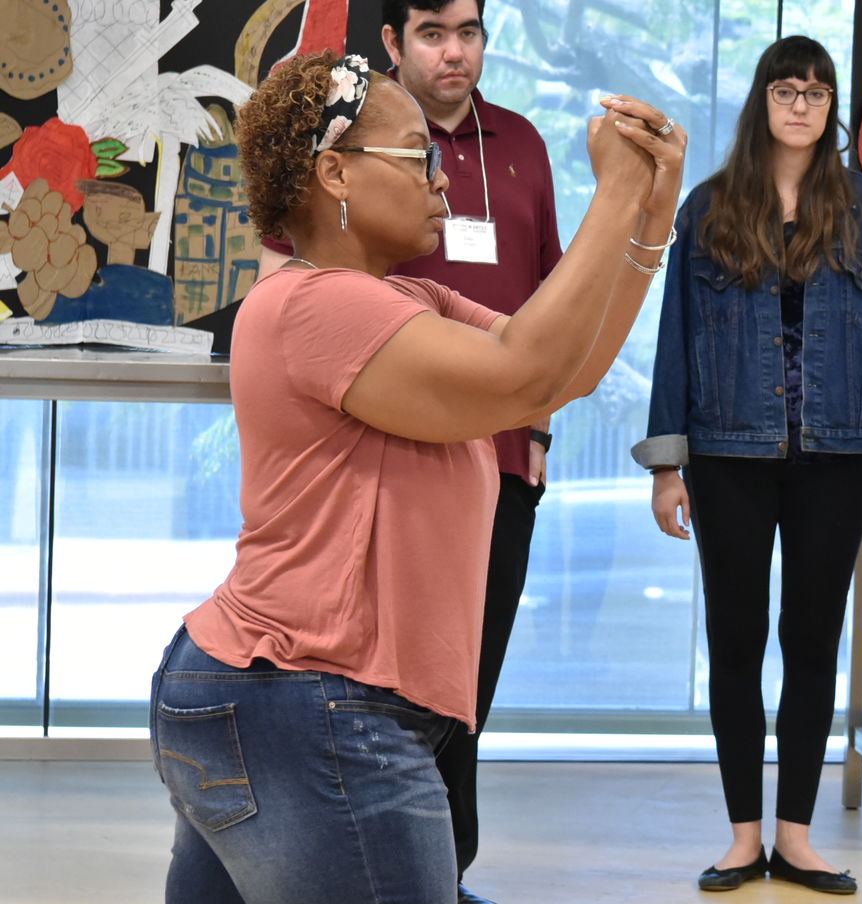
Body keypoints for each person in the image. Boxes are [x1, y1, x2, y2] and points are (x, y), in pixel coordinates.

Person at [151, 50, 685, 903]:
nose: (443, 183)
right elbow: (524, 373)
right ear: (335, 173)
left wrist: (649, 210)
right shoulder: (314, 303)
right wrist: (616, 194)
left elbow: (566, 370)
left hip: (275, 697)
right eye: (420, 158)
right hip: (317, 700)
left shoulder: (409, 301)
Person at [259, 0, 562, 904]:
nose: (455, 52)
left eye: (468, 31)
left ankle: (444, 867)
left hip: (500, 454)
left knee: (463, 685)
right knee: (382, 684)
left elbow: (547, 311)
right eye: (433, 34)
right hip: (381, 442)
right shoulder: (341, 145)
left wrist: (536, 433)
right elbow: (292, 288)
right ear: (391, 45)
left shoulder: (518, 144)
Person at [632, 35, 862, 896]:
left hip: (836, 457)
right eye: (785, 88)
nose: (801, 103)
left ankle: (795, 837)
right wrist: (666, 464)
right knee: (735, 641)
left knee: (812, 642)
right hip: (726, 454)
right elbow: (675, 342)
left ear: (833, 105)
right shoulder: (710, 206)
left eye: (816, 90)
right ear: (762, 100)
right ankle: (742, 836)